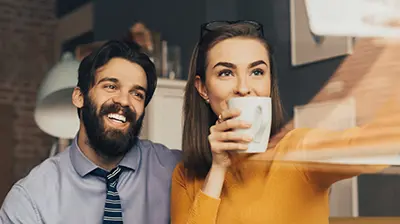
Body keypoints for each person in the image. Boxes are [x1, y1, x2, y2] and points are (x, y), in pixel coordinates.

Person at [170, 20, 399, 224]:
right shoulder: (185, 175)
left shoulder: (298, 150)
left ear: (270, 83)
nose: (243, 87)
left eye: (257, 72)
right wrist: (218, 168)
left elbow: (378, 146)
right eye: (226, 73)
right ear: (202, 89)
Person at [0, 40, 181, 224]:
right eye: (111, 86)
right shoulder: (30, 200)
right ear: (79, 97)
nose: (125, 101)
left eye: (137, 94)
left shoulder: (176, 171)